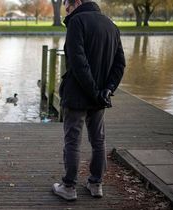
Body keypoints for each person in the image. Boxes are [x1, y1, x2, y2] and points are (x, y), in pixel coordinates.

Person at [52, 0, 126, 201]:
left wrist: (95, 91)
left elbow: (77, 62)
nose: (66, 11)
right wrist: (107, 90)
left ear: (77, 2)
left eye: (67, 6)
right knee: (98, 140)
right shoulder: (111, 25)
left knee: (73, 142)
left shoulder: (77, 22)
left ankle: (68, 187)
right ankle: (96, 184)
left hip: (78, 96)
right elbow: (120, 64)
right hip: (99, 96)